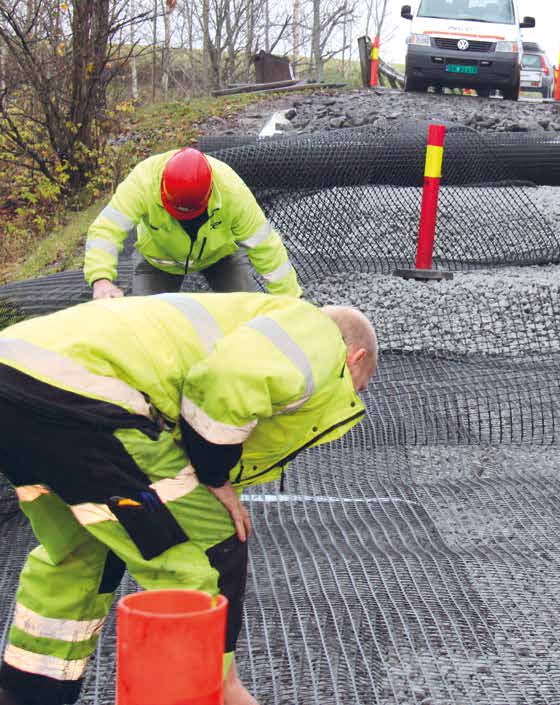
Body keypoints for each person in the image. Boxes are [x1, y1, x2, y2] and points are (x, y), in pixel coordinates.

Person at [0, 293, 377, 705]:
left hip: (17, 383)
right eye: (359, 386)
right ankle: (213, 691)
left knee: (83, 553)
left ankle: (27, 694)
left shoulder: (251, 316)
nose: (354, 394)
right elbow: (229, 379)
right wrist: (215, 476)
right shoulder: (316, 336)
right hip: (85, 396)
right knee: (211, 545)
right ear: (355, 357)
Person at [84, 148, 301, 299]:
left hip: (220, 257)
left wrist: (291, 302)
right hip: (158, 262)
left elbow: (266, 248)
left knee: (245, 313)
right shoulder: (143, 181)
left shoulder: (231, 191)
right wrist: (101, 279)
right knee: (148, 327)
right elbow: (106, 230)